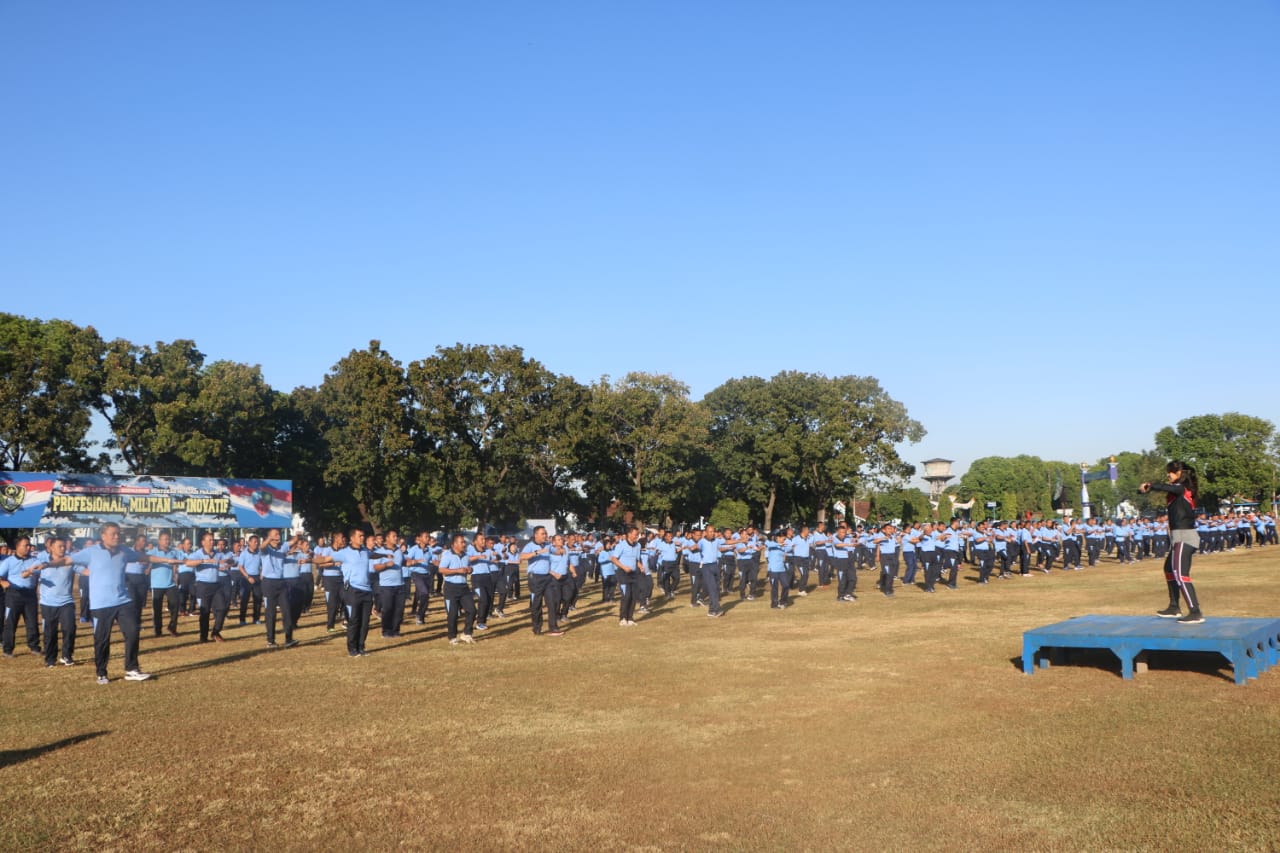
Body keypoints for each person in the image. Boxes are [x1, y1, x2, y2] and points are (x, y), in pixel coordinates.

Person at [47, 522, 175, 683]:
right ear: (103, 536)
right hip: (101, 604)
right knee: (102, 640)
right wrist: (46, 564)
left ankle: (131, 668)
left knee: (133, 631)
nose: (117, 536)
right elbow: (66, 560)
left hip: (123, 601)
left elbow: (146, 557)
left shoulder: (124, 551)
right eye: (113, 534)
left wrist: (170, 561)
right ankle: (101, 672)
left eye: (118, 533)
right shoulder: (91, 552)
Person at [1141, 462, 1205, 624]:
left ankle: (1195, 612)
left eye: (1169, 472)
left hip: (1184, 536)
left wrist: (1151, 485)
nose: (1167, 475)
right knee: (1169, 569)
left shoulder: (1181, 488)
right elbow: (1169, 489)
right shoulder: (1178, 490)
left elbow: (1170, 488)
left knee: (1180, 574)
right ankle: (1174, 607)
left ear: (1178, 473)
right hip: (1178, 537)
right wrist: (1146, 489)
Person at [1, 534, 43, 657]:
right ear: (17, 547)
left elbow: (39, 572)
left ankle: (34, 647)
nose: (29, 547)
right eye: (26, 545)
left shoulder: (34, 560)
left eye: (29, 545)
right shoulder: (8, 561)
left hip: (30, 594)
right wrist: (3, 582)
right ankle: (8, 650)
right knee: (11, 623)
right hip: (14, 595)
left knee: (32, 622)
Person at [437, 532, 476, 644]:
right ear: (454, 544)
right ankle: (452, 636)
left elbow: (470, 567)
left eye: (464, 542)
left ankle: (466, 633)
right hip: (451, 588)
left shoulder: (466, 555)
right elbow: (441, 570)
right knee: (453, 614)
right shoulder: (447, 555)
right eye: (462, 542)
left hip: (464, 587)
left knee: (472, 610)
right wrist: (457, 571)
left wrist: (470, 570)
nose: (464, 544)